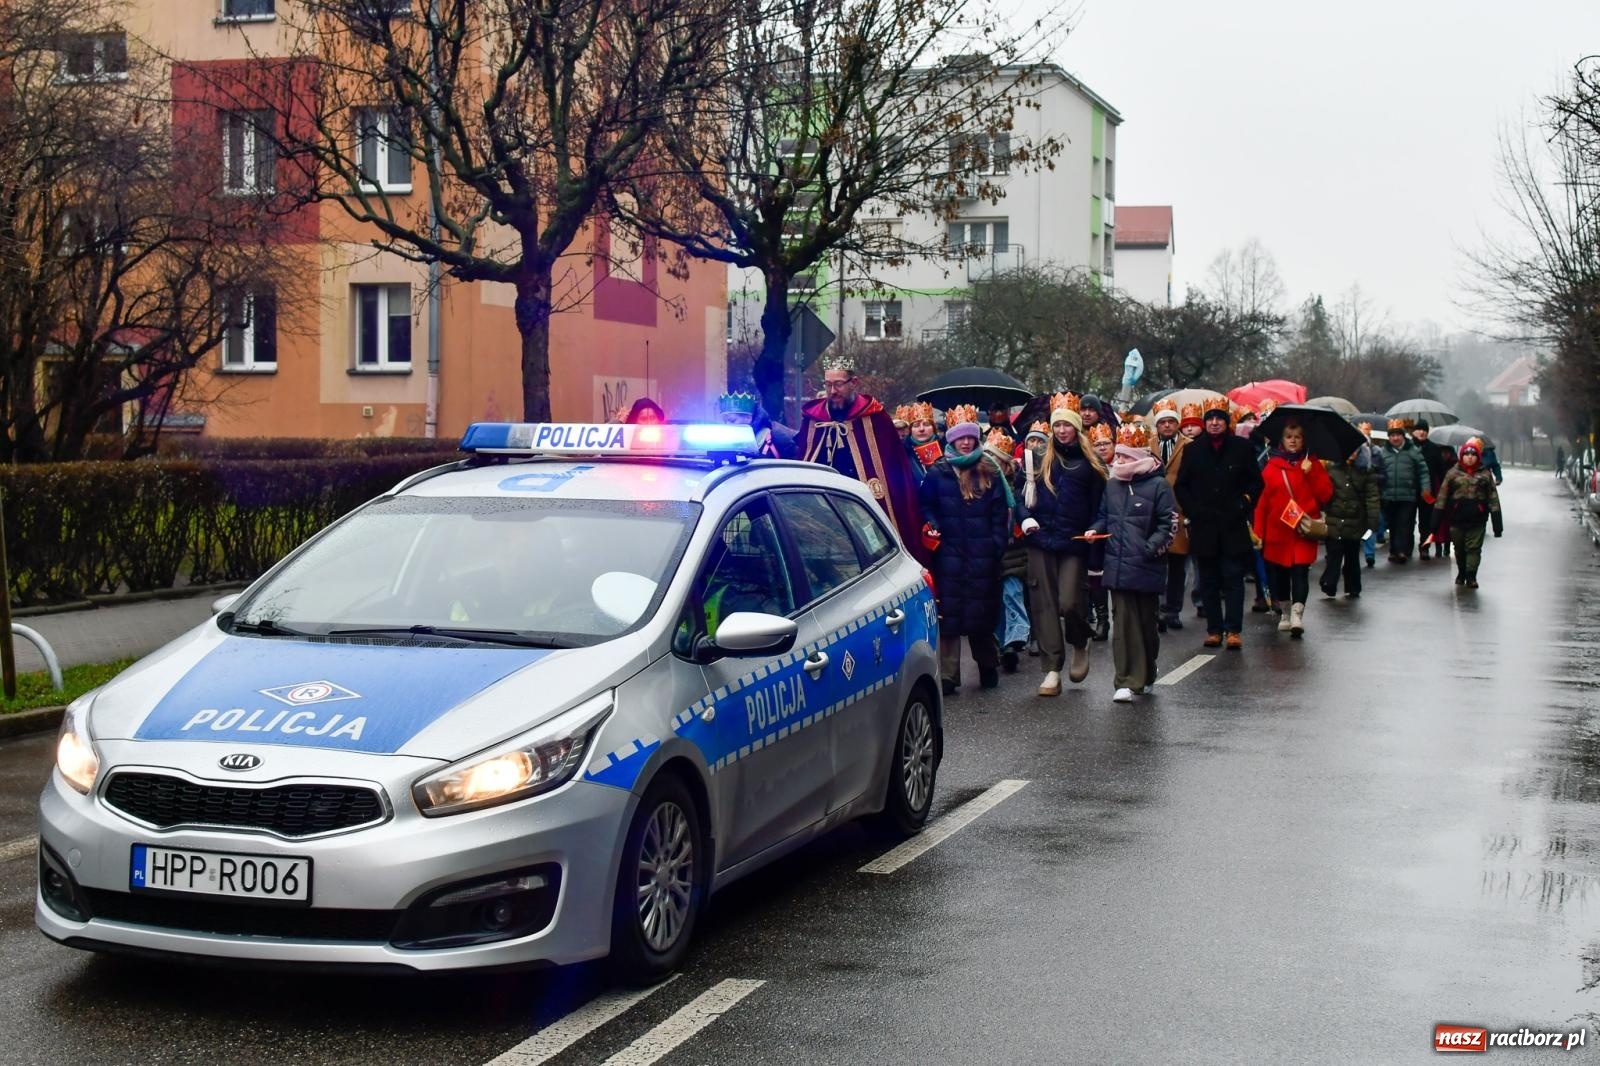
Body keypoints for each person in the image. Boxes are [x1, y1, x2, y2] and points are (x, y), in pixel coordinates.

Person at [1018, 392, 1107, 696]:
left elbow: (1101, 508)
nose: (1061, 431)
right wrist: (1024, 519)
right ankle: (1052, 669)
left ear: (1076, 428)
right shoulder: (1038, 460)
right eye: (1057, 426)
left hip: (1074, 542)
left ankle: (1080, 641)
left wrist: (1095, 528)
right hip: (1041, 540)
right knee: (1044, 606)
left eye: (1067, 426)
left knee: (1070, 602)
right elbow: (1020, 499)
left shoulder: (1090, 465)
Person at [919, 407, 1013, 694]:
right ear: (952, 440)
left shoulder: (989, 469)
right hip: (948, 554)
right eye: (960, 438)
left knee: (980, 613)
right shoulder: (938, 471)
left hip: (983, 553)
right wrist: (933, 526)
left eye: (971, 438)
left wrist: (996, 544)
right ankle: (948, 674)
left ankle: (987, 664)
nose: (966, 443)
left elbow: (1001, 512)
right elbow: (926, 506)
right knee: (949, 616)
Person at [799, 357, 926, 561]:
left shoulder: (875, 417)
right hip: (825, 508)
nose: (833, 391)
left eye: (839, 384)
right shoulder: (815, 419)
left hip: (865, 506)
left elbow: (895, 468)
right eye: (828, 384)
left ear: (854, 383)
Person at [1086, 422, 1177, 703]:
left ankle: (1147, 672)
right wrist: (1095, 530)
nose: (1120, 460)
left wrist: (1150, 549)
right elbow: (1105, 515)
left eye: (1126, 456)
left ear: (1138, 456)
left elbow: (1169, 522)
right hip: (1117, 563)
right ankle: (1125, 680)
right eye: (1119, 455)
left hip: (1147, 565)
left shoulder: (1159, 485)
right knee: (1123, 623)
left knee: (1146, 625)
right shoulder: (1113, 485)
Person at [1174, 398, 1263, 650]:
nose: (1214, 423)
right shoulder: (1193, 450)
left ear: (1226, 422)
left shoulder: (1241, 448)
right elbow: (1182, 485)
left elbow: (1256, 483)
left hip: (1233, 524)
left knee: (1233, 578)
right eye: (1210, 419)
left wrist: (1244, 503)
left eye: (1219, 419)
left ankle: (1233, 629)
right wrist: (1193, 510)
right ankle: (1214, 629)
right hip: (1204, 526)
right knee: (1209, 580)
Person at [1253, 418, 1334, 637]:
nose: (1293, 441)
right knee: (1280, 576)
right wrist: (1259, 533)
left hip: (1303, 529)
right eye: (1289, 437)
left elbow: (1325, 494)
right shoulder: (1271, 467)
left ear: (1303, 440)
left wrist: (1312, 473)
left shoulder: (1312, 464)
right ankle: (1286, 613)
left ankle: (1298, 614)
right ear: (1282, 440)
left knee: (1300, 572)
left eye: (1297, 437)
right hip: (1278, 531)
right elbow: (1262, 505)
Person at [984, 428, 1032, 672]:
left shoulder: (1017, 486)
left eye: (996, 461)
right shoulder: (980, 487)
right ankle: (1005, 644)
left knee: (1012, 593)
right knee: (997, 601)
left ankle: (1017, 636)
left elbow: (1024, 510)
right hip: (991, 552)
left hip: (1014, 552)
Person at [1433, 436, 1504, 589]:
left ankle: (1471, 576)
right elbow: (1442, 497)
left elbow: (1493, 498)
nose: (1470, 458)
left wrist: (1497, 523)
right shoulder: (1452, 474)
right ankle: (1462, 572)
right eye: (1467, 455)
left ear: (1478, 457)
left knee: (1473, 549)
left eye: (1473, 455)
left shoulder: (1485, 475)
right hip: (1456, 519)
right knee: (1459, 548)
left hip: (1477, 520)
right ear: (1462, 456)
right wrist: (1436, 521)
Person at [1149, 407, 1191, 632]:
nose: (1166, 425)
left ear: (1177, 424)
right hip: (1154, 511)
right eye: (1162, 422)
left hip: (1179, 510)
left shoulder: (1189, 445)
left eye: (1170, 422)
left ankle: (1172, 609)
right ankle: (1156, 609)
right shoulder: (1148, 444)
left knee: (1177, 563)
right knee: (1156, 562)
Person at [1319, 444, 1380, 598]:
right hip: (1334, 518)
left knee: (1352, 556)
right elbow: (1324, 492)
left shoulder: (1366, 471)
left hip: (1356, 521)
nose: (1352, 453)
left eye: (1356, 450)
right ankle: (1329, 583)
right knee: (1334, 555)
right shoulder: (1333, 469)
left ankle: (1353, 586)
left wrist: (1373, 522)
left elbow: (1372, 497)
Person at [1378, 419, 1429, 563]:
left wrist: (1426, 489)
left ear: (1403, 436)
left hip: (1408, 495)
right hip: (1389, 495)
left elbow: (1423, 471)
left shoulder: (1413, 451)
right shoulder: (1383, 452)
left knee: (1404, 523)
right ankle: (1394, 550)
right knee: (1392, 524)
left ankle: (1401, 551)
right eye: (1392, 435)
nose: (1395, 438)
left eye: (1398, 435)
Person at [1087, 423, 1117, 640]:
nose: (1102, 448)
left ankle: (1120, 616)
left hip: (1120, 527)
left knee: (1118, 575)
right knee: (1095, 576)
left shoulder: (1125, 464)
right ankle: (1102, 620)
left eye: (1106, 443)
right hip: (1097, 524)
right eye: (1097, 444)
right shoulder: (1089, 468)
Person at [1411, 420, 1449, 559]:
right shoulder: (1408, 447)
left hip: (1428, 491)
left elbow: (1441, 471)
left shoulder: (1434, 449)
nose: (1422, 432)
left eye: (1424, 430)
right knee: (1408, 520)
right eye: (1419, 429)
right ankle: (1406, 547)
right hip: (1410, 490)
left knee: (1426, 521)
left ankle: (1424, 547)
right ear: (1414, 432)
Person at [899, 403, 943, 485]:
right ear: (910, 430)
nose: (921, 429)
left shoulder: (946, 447)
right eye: (916, 426)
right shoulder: (902, 453)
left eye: (926, 424)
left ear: (934, 428)